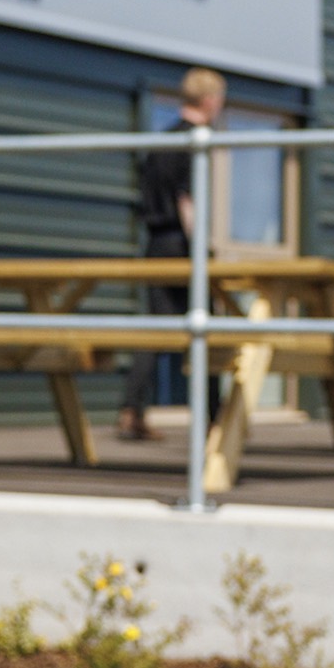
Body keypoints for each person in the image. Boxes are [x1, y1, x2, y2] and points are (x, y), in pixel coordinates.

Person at [118, 67, 228, 442]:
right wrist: (200, 246)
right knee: (207, 329)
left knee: (158, 329)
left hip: (155, 244)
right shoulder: (195, 142)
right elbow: (187, 200)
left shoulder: (160, 143)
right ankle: (216, 419)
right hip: (182, 245)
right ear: (211, 100)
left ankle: (131, 408)